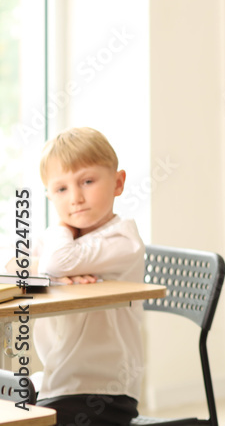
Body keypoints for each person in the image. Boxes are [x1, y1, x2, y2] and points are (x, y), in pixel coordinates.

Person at [35, 127, 145, 425]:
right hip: (60, 380)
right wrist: (55, 277)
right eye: (61, 190)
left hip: (103, 390)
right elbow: (14, 265)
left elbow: (55, 262)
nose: (76, 198)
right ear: (49, 194)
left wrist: (60, 226)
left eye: (87, 181)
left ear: (118, 183)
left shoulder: (122, 241)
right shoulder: (64, 241)